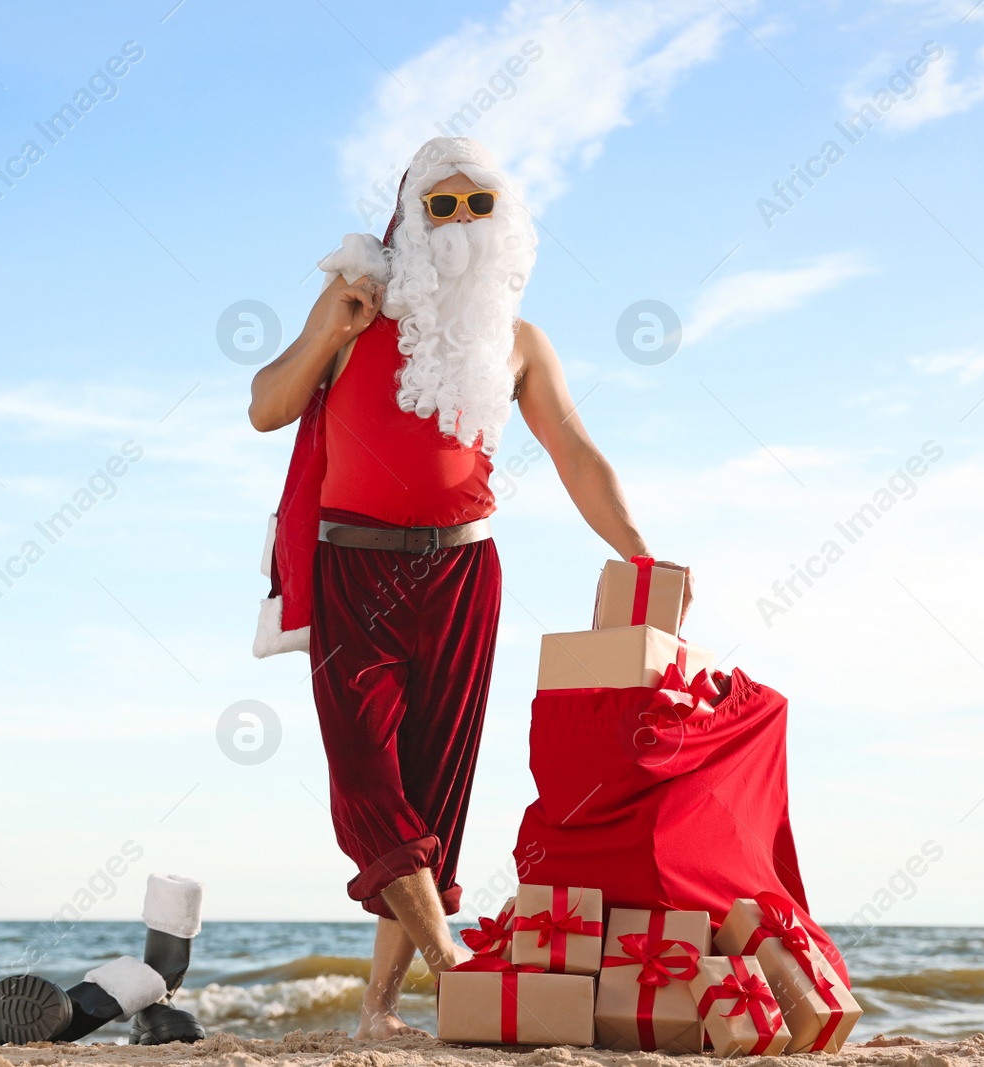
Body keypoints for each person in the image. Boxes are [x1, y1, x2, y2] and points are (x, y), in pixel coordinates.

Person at [247, 136, 691, 1039]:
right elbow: (265, 405)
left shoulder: (521, 342)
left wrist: (643, 553)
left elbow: (575, 454)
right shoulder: (354, 308)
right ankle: (453, 967)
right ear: (409, 215)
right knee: (367, 775)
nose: (455, 224)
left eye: (475, 206)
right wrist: (332, 327)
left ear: (505, 220)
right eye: (438, 206)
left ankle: (379, 1010)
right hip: (352, 565)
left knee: (433, 792)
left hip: (463, 572)